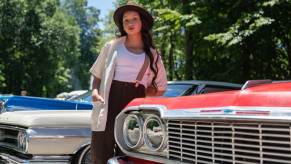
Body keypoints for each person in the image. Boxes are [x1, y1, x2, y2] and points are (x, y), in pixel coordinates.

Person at [89, 2, 167, 163]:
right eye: (126, 20)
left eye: (134, 19)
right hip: (108, 102)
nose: (130, 23)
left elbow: (161, 87)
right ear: (121, 24)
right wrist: (95, 92)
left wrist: (145, 96)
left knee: (130, 151)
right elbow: (97, 75)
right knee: (100, 152)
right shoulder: (111, 46)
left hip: (134, 106)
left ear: (142, 22)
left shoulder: (152, 54)